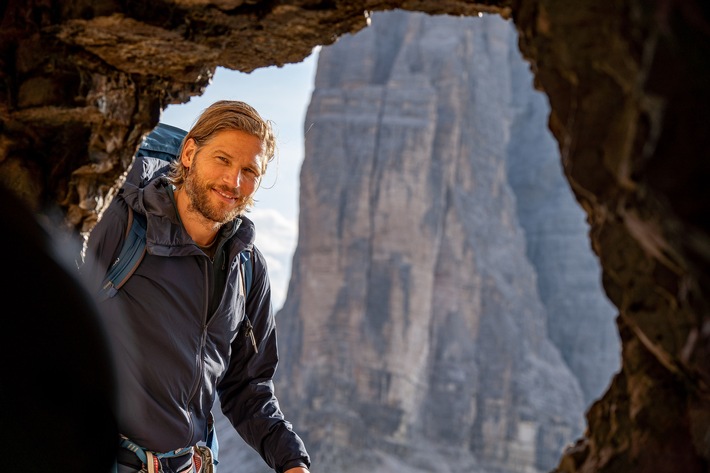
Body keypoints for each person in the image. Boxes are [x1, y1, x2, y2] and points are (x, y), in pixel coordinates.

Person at [80, 100, 311, 473]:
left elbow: (247, 387)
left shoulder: (247, 267)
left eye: (249, 170)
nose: (233, 182)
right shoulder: (121, 225)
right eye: (222, 159)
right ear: (189, 153)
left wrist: (292, 461)